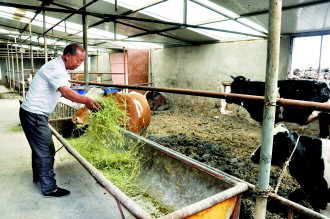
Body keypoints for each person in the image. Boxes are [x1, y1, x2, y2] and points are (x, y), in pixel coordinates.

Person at [19, 43, 100, 198]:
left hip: (33, 113)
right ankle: (49, 188)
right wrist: (87, 100)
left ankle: (39, 176)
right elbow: (65, 91)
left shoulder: (59, 67)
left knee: (40, 147)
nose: (79, 64)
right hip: (34, 114)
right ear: (68, 56)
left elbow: (61, 92)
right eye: (78, 60)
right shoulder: (56, 69)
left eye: (82, 62)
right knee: (46, 149)